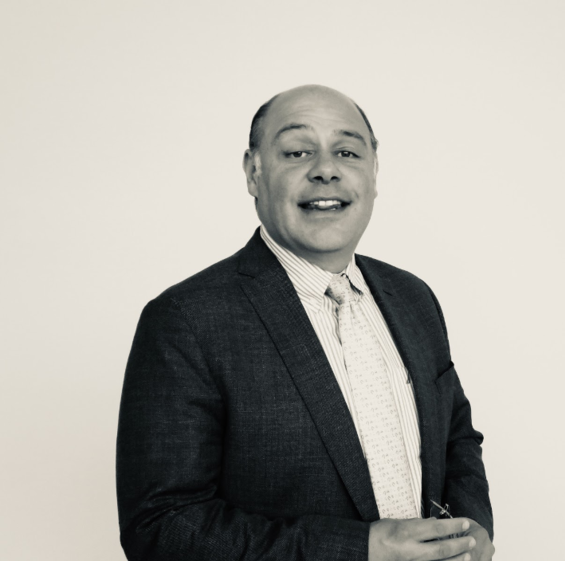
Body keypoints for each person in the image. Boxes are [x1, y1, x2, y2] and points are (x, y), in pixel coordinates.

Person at [116, 84, 494, 561]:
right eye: (297, 151)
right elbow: (161, 526)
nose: (326, 170)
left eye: (347, 152)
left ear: (374, 171)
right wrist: (360, 549)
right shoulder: (186, 321)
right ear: (254, 172)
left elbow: (457, 438)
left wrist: (472, 528)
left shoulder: (413, 297)